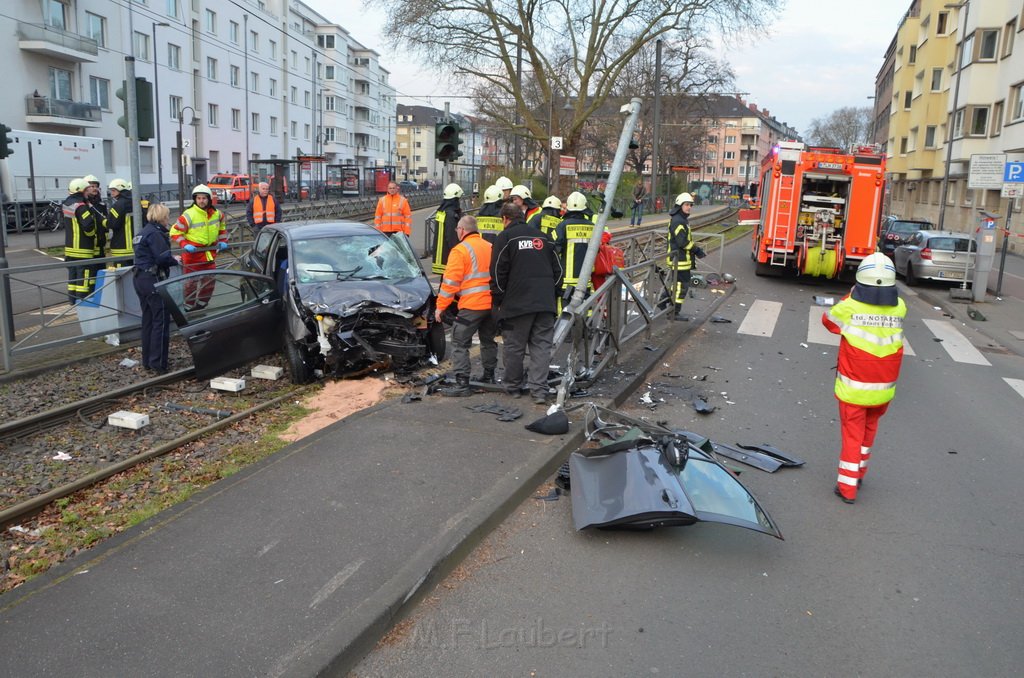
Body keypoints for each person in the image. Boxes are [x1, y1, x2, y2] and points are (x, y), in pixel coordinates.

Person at [822, 253, 906, 505]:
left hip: (855, 388)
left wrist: (850, 296)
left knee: (852, 435)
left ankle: (847, 488)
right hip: (884, 388)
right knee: (869, 430)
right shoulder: (900, 306)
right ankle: (858, 473)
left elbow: (828, 321)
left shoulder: (850, 307)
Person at [490, 202, 563, 405]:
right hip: (545, 304)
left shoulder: (505, 238)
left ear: (505, 219)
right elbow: (559, 271)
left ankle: (513, 386)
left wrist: (499, 299)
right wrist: (553, 294)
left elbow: (497, 272)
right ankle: (538, 391)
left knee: (514, 347)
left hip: (516, 305)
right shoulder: (543, 238)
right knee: (541, 347)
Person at [435, 215, 498, 396]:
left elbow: (450, 283)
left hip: (472, 305)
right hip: (491, 304)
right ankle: (489, 376)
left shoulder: (460, 250)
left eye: (457, 230)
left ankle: (462, 382)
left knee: (459, 342)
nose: (456, 232)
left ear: (462, 230)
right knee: (488, 341)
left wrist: (440, 307)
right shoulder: (490, 247)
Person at [132, 202, 181, 373]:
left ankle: (147, 361)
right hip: (152, 280)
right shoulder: (155, 234)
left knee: (148, 321)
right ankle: (158, 363)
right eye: (167, 216)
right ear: (162, 217)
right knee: (160, 321)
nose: (168, 219)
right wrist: (175, 259)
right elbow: (162, 258)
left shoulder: (142, 232)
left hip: (139, 278)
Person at [170, 184, 228, 311]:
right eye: (199, 198)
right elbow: (174, 232)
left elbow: (222, 228)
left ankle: (201, 305)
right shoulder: (188, 215)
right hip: (192, 256)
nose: (201, 201)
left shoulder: (218, 214)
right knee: (191, 284)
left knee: (209, 281)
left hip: (209, 255)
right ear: (195, 199)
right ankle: (188, 308)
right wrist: (185, 244)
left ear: (209, 199)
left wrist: (223, 240)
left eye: (204, 198)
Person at [666, 192, 705, 320]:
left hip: (681, 260)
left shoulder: (681, 219)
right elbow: (682, 242)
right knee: (681, 287)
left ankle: (663, 304)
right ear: (679, 205)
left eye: (690, 205)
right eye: (687, 204)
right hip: (679, 260)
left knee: (677, 286)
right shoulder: (678, 221)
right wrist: (697, 250)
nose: (689, 207)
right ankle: (673, 313)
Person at [553, 191, 595, 309]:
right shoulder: (592, 226)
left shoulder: (563, 225)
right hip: (585, 277)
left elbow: (555, 249)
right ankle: (586, 326)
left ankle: (565, 328)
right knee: (585, 306)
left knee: (565, 308)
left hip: (567, 278)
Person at [62, 178, 101, 303]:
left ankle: (72, 301)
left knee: (73, 277)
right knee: (84, 278)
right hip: (82, 248)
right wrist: (92, 234)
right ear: (81, 190)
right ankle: (82, 302)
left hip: (70, 248)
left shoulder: (67, 204)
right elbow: (88, 226)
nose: (88, 192)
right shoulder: (81, 206)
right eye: (86, 189)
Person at [431, 183, 464, 274]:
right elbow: (452, 237)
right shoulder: (451, 215)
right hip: (448, 256)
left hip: (440, 255)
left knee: (444, 282)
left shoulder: (442, 212)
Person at [105, 178, 135, 265]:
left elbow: (112, 224)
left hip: (121, 246)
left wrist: (104, 221)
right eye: (111, 190)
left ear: (121, 190)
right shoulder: (135, 202)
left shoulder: (118, 205)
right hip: (134, 247)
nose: (112, 193)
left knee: (121, 275)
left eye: (114, 190)